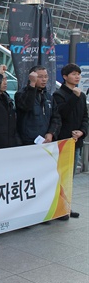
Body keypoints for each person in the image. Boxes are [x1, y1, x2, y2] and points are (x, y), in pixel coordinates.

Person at [53, 63, 88, 219]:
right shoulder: (59, 94)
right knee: (61, 175)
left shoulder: (82, 95)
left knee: (70, 176)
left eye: (78, 74)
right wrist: (74, 97)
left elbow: (85, 118)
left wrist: (82, 131)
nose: (77, 77)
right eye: (74, 74)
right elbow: (63, 114)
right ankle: (58, 207)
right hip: (64, 141)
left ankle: (67, 206)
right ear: (65, 77)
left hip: (77, 141)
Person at [15, 65, 61, 145]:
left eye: (46, 77)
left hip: (45, 141)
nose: (44, 79)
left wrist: (51, 133)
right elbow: (26, 106)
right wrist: (32, 85)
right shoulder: (21, 94)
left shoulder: (49, 97)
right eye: (40, 77)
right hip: (27, 141)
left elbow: (56, 117)